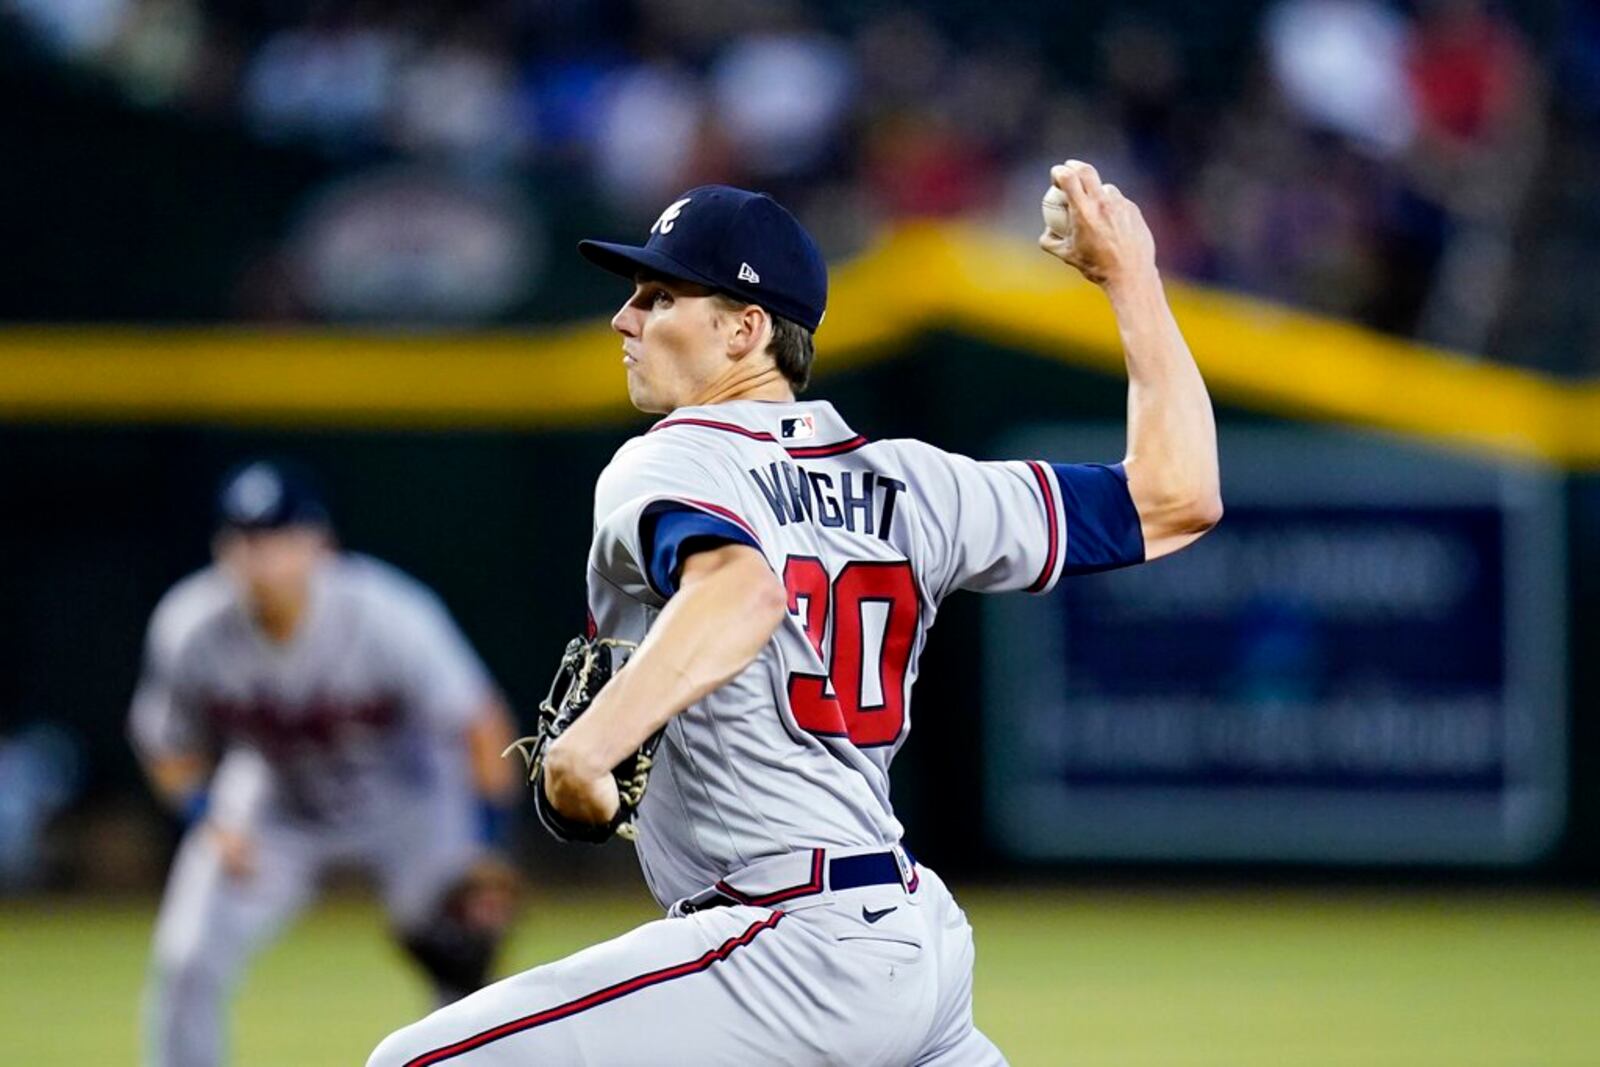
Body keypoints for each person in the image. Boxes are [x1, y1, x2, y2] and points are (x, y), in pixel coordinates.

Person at [369, 160, 1221, 1066]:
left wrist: (588, 746)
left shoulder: (672, 458)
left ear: (745, 329)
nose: (625, 317)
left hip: (782, 942)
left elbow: (741, 589)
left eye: (660, 297)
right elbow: (1176, 494)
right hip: (909, 934)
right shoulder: (916, 480)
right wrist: (1130, 277)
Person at [130, 460, 522, 1067]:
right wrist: (207, 814)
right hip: (273, 802)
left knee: (462, 956)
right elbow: (165, 743)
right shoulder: (191, 626)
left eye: (279, 537)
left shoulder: (388, 612)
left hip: (409, 800)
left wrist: (487, 842)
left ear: (320, 543)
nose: (261, 558)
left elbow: (480, 723)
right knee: (186, 958)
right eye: (245, 540)